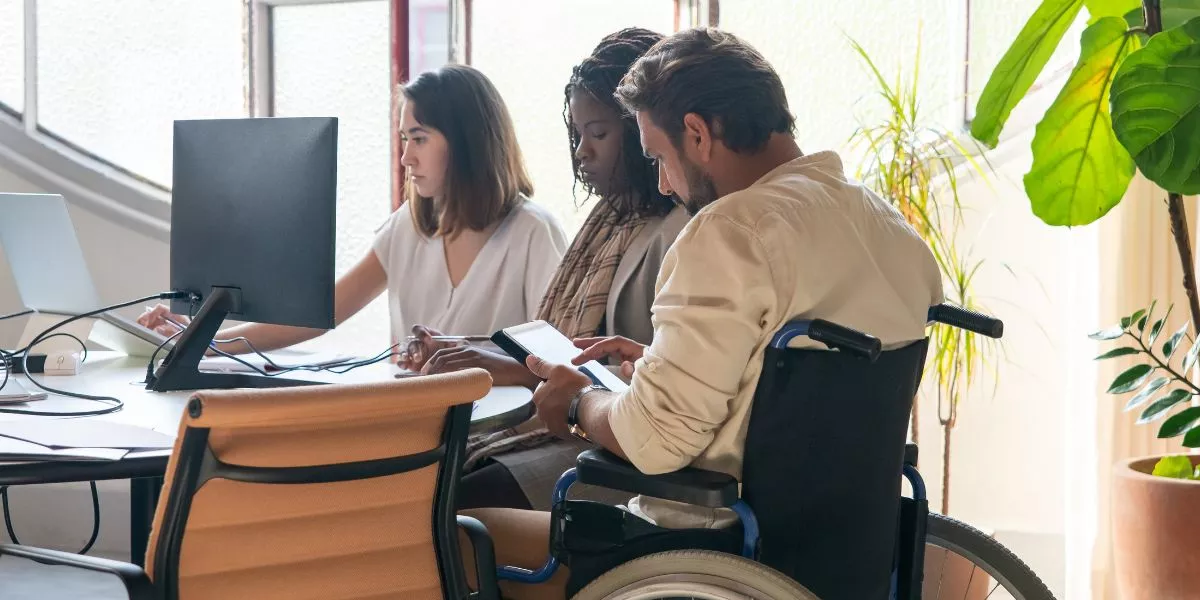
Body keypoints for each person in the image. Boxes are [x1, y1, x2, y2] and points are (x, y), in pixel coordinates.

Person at [459, 28, 944, 600]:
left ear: (696, 133)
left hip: (703, 553)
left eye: (660, 157)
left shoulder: (729, 232)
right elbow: (792, 388)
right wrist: (659, 365)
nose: (663, 182)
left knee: (458, 535)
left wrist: (576, 404)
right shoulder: (892, 232)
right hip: (840, 552)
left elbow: (655, 442)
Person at [411, 28, 690, 512]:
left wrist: (521, 372)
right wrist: (471, 349)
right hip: (582, 429)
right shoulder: (611, 219)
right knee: (424, 478)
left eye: (599, 134)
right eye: (578, 134)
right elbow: (563, 342)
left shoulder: (678, 231)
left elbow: (645, 382)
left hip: (612, 450)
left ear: (646, 128)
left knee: (444, 500)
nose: (583, 151)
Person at [138, 65, 568, 358]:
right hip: (420, 426)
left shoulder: (532, 232)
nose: (406, 159)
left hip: (494, 433)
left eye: (419, 139)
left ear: (468, 141)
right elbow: (320, 315)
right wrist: (199, 341)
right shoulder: (409, 228)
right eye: (404, 140)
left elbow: (555, 358)